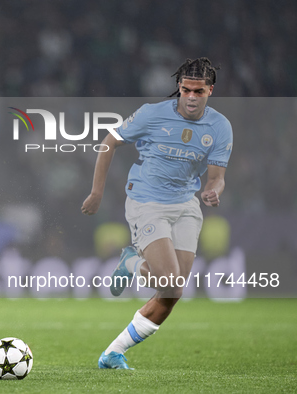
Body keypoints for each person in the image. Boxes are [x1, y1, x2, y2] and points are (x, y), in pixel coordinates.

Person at [81, 58, 232, 369]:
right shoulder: (152, 114)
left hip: (186, 204)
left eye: (198, 91)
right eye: (185, 90)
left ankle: (112, 354)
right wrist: (97, 192)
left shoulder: (220, 126)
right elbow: (109, 142)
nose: (190, 97)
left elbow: (217, 175)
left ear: (210, 91)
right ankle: (133, 260)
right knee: (170, 283)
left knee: (171, 294)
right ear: (179, 87)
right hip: (147, 201)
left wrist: (214, 189)